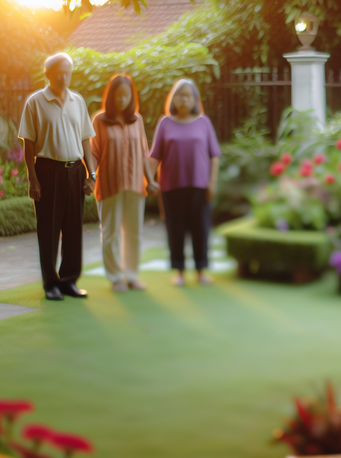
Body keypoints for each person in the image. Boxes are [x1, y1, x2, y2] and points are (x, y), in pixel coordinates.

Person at [18, 52, 97, 301]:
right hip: (48, 171)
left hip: (75, 171)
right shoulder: (35, 102)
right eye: (59, 72)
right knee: (49, 231)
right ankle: (51, 284)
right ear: (48, 74)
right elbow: (28, 143)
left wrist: (91, 174)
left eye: (68, 71)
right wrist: (32, 178)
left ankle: (68, 281)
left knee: (73, 230)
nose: (64, 77)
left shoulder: (78, 101)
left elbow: (86, 139)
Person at [148, 78, 221, 286]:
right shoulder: (165, 123)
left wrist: (212, 183)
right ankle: (179, 271)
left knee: (201, 228)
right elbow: (155, 155)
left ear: (195, 99)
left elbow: (214, 155)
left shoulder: (204, 122)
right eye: (180, 95)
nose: (184, 99)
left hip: (200, 186)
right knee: (175, 228)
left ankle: (201, 270)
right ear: (174, 98)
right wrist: (148, 180)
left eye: (188, 95)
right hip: (171, 186)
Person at [89, 75, 159, 292]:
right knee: (110, 232)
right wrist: (90, 176)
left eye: (126, 96)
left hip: (136, 184)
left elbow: (144, 152)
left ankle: (131, 275)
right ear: (111, 96)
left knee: (134, 231)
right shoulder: (99, 120)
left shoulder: (136, 120)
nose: (122, 100)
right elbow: (93, 152)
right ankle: (116, 277)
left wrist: (152, 180)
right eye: (118, 96)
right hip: (110, 184)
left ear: (131, 97)